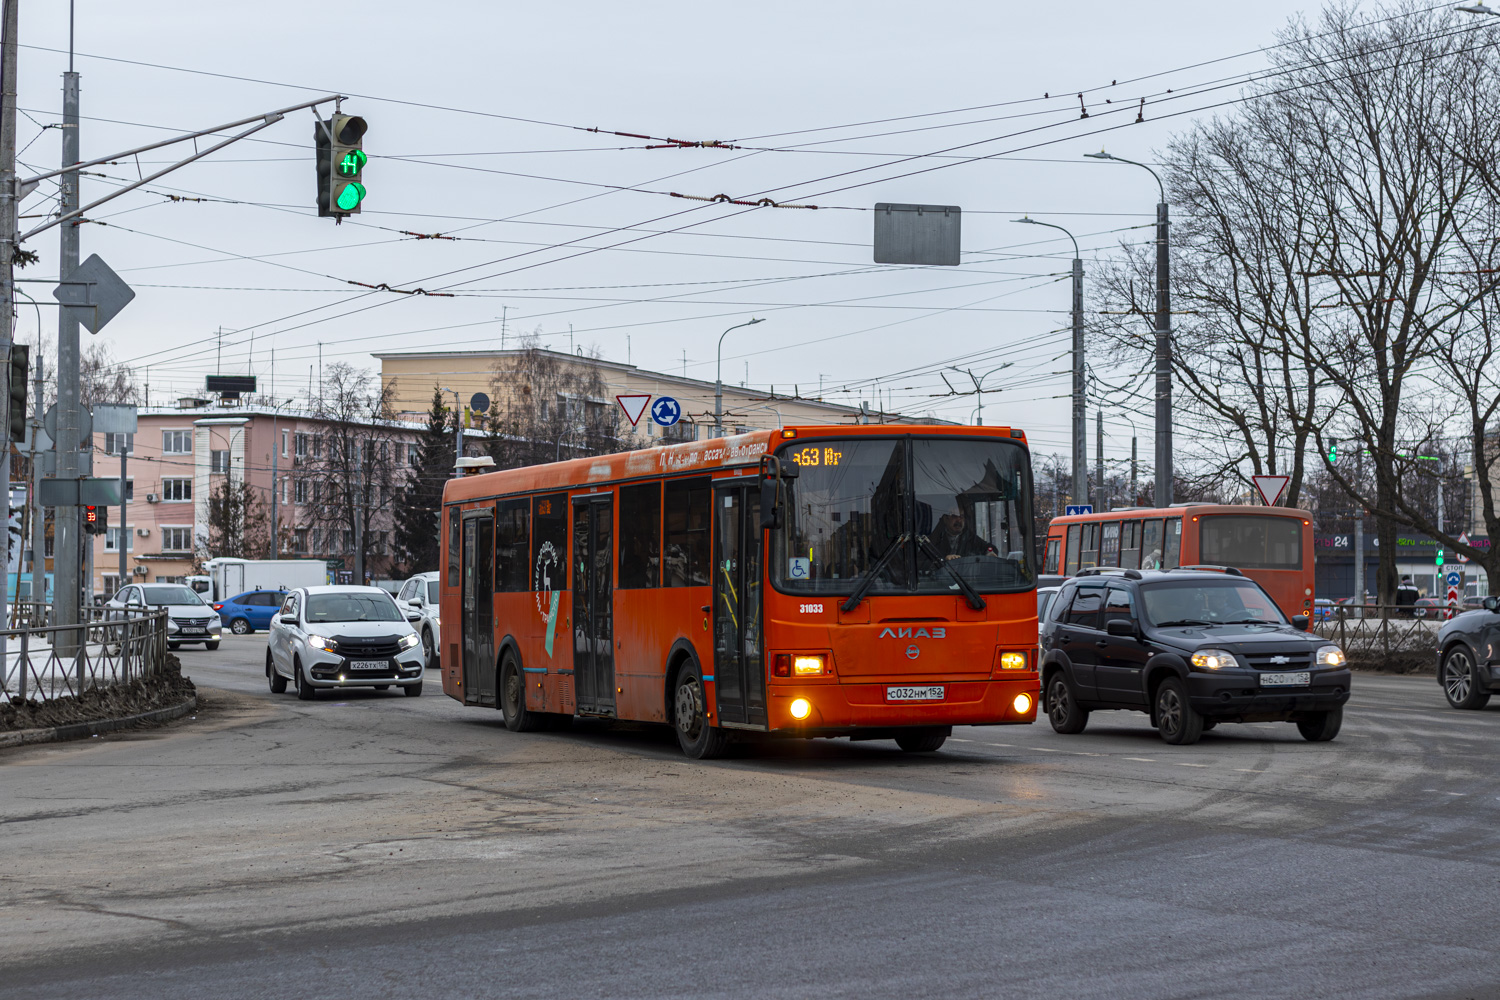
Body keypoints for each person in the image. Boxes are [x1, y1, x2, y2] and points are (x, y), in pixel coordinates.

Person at [926, 504, 996, 560]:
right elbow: (922, 561)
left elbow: (989, 548)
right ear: (945, 519)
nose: (959, 520)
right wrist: (944, 560)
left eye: (961, 516)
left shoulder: (970, 537)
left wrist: (990, 552)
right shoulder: (936, 537)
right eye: (954, 516)